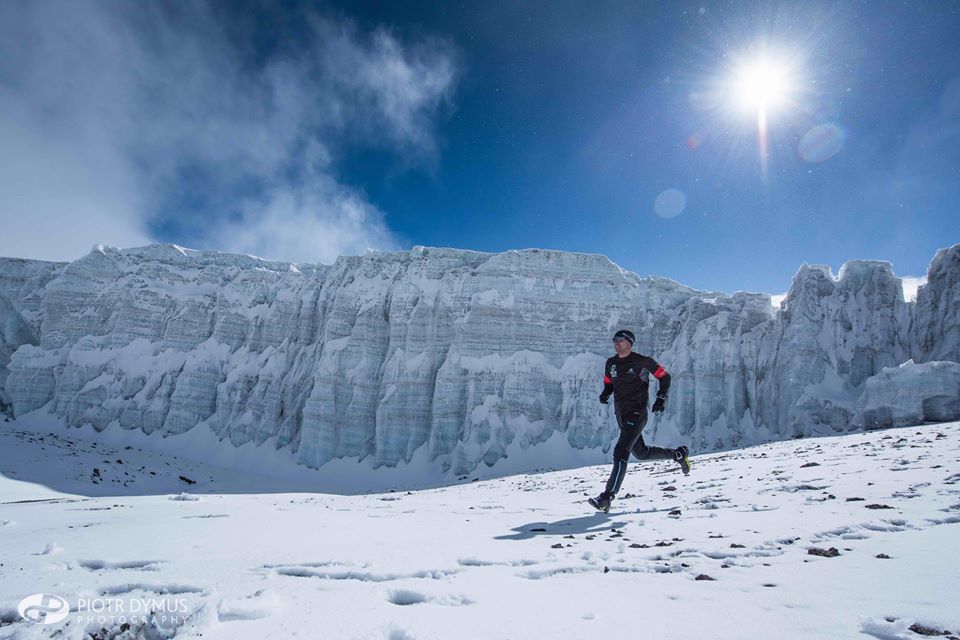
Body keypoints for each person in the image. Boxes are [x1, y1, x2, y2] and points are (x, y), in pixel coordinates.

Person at [589, 329, 690, 513]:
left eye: (620, 340)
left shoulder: (643, 361)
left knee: (621, 451)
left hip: (637, 414)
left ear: (629, 342)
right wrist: (606, 393)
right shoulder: (610, 363)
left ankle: (607, 497)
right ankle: (678, 454)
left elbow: (665, 377)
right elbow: (609, 382)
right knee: (641, 453)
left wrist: (661, 398)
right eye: (614, 340)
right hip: (621, 414)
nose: (616, 343)